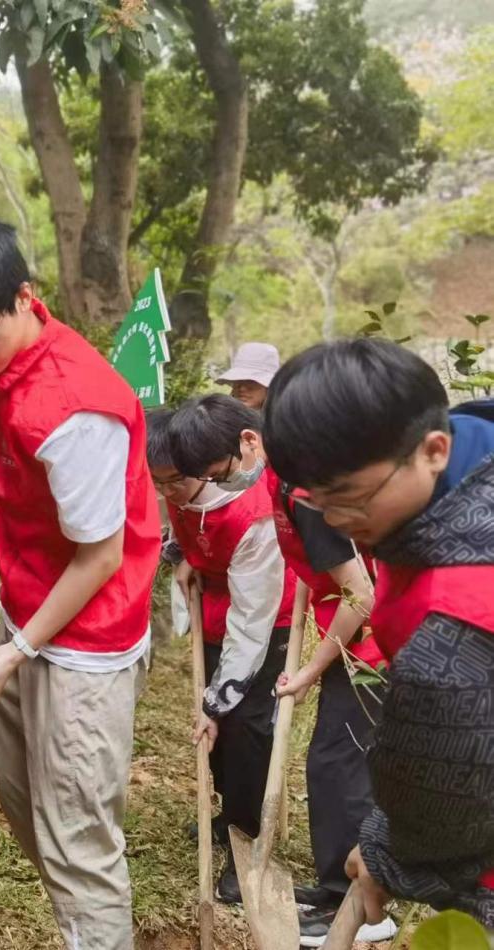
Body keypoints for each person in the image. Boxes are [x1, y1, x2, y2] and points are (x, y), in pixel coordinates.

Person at [0, 214, 159, 950]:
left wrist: (12, 651)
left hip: (88, 634)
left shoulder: (74, 407)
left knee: (76, 834)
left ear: (24, 297)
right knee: (27, 809)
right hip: (30, 610)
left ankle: (96, 933)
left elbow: (100, 558)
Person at [262, 338, 494, 934]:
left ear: (434, 449)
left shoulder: (457, 622)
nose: (337, 522)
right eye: (319, 503)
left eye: (353, 500)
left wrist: (389, 852)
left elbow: (446, 792)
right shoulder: (466, 454)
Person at [168, 392, 394, 945]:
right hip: (356, 636)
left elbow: (360, 594)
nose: (220, 484)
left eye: (221, 471)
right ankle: (333, 886)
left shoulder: (301, 493)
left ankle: (365, 909)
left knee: (340, 764)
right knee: (327, 762)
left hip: (381, 640)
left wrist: (311, 671)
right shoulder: (276, 481)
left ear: (249, 441)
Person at [149, 407, 294, 903]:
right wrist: (184, 554)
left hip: (264, 619)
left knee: (245, 727)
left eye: (175, 482)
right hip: (214, 608)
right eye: (157, 483)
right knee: (216, 734)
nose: (167, 493)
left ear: (203, 468)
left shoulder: (252, 511)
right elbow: (188, 533)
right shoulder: (179, 485)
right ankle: (228, 812)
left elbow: (251, 622)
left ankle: (248, 842)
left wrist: (218, 700)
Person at [216, 342, 279, 411]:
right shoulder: (219, 417)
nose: (242, 388)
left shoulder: (285, 419)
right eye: (238, 380)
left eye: (251, 381)